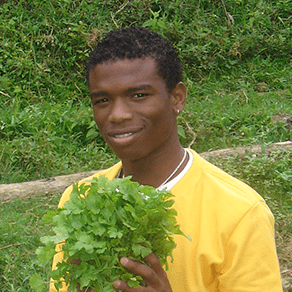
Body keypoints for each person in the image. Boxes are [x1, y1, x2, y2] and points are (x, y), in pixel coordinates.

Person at [50, 26, 283, 292]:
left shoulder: (240, 214)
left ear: (177, 98)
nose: (117, 114)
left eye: (138, 95)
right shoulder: (79, 202)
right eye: (102, 100)